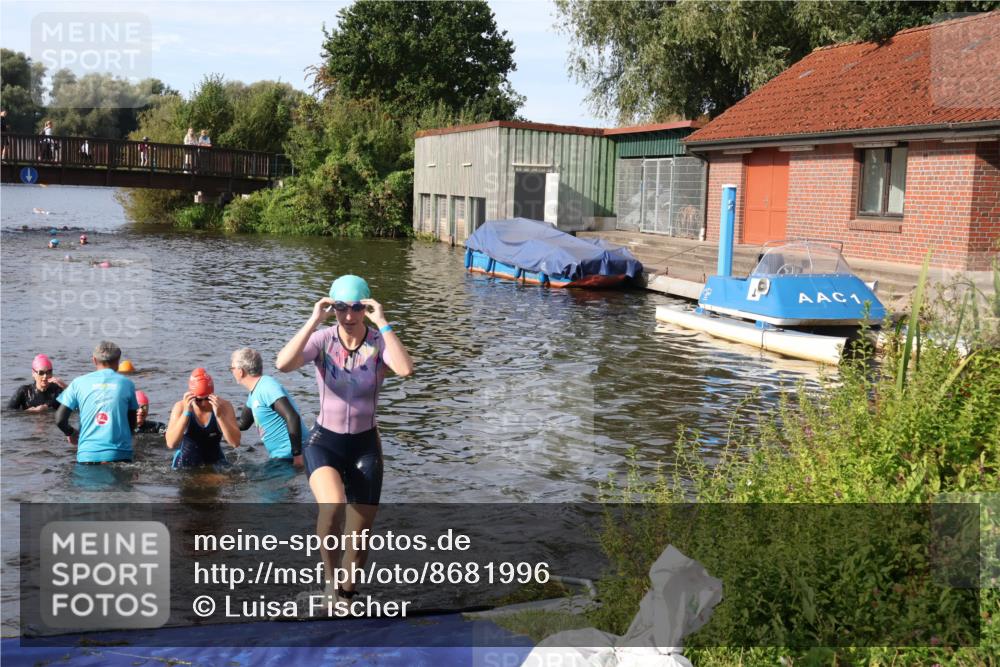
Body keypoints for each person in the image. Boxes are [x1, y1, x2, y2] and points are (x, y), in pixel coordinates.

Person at [276, 274, 413, 601]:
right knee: (332, 504)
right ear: (332, 307)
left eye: (356, 308)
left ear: (366, 307)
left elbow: (406, 369)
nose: (348, 316)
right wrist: (313, 319)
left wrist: (383, 323)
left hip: (365, 447)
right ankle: (329, 580)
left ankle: (347, 595)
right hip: (325, 442)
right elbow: (283, 364)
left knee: (360, 536)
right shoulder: (323, 341)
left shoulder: (380, 343)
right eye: (340, 308)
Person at [54, 341, 139, 463]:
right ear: (118, 361)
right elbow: (132, 423)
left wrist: (71, 432)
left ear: (94, 360)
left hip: (87, 456)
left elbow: (59, 419)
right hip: (120, 455)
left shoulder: (78, 383)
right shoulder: (127, 384)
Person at [230, 348, 306, 464]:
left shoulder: (267, 387)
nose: (232, 372)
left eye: (232, 368)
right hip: (281, 456)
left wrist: (297, 455)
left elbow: (292, 417)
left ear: (240, 371)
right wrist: (218, 419)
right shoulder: (254, 393)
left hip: (289, 456)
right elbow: (243, 424)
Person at [165, 369, 240, 468]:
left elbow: (235, 443)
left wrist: (220, 416)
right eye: (198, 400)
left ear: (212, 394)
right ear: (191, 395)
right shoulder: (180, 407)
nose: (204, 403)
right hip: (186, 462)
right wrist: (186, 413)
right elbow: (171, 443)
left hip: (215, 461)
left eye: (207, 398)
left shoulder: (224, 406)